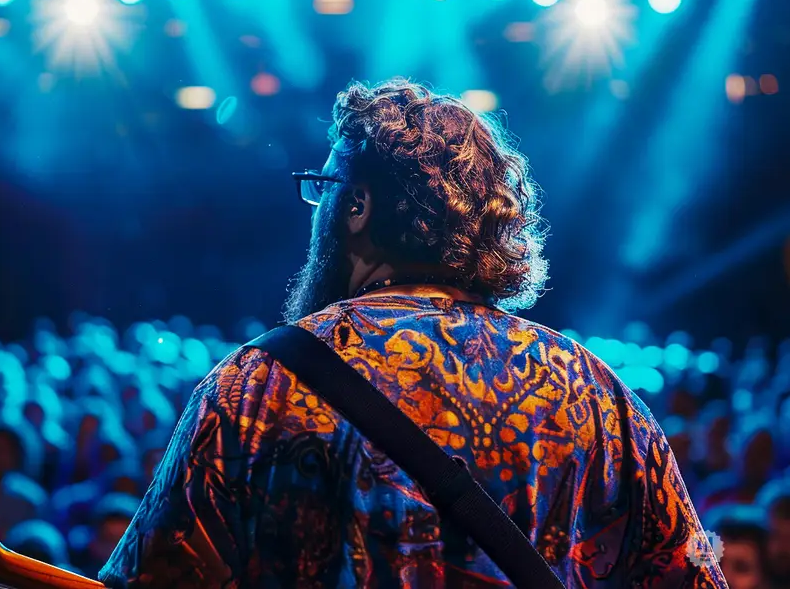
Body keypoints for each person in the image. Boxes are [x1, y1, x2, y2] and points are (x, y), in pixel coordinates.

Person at [98, 78, 727, 588]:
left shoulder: (262, 384)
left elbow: (155, 575)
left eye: (325, 193)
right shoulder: (594, 393)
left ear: (357, 206)